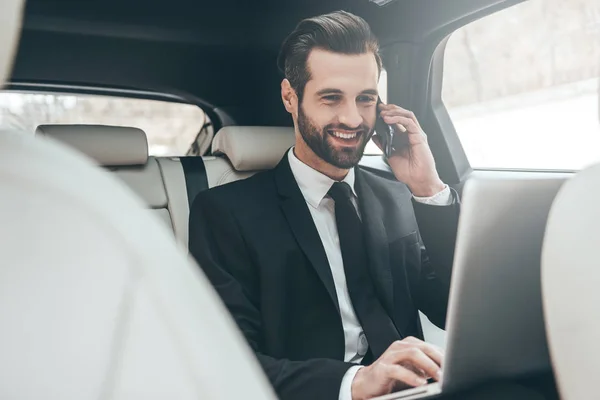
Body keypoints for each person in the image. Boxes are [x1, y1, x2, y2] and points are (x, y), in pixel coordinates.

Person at [188, 10, 548, 400]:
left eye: (366, 99)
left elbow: (454, 305)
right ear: (290, 97)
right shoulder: (225, 213)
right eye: (331, 98)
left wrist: (428, 188)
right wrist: (356, 382)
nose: (352, 117)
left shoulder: (397, 196)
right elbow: (229, 361)